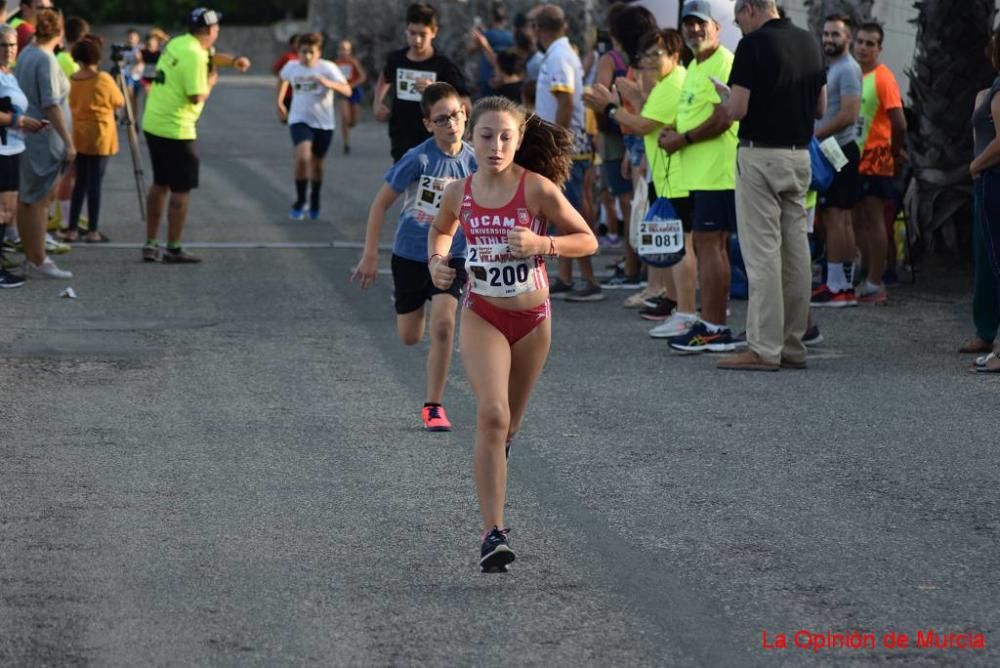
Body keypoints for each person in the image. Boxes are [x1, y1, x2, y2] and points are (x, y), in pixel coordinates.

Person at [428, 96, 598, 571]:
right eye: (486, 136)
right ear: (471, 137)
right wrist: (437, 263)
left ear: (520, 140)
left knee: (509, 427)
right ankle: (493, 533)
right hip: (483, 315)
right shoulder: (457, 191)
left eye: (506, 137)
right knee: (492, 413)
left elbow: (588, 239)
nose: (495, 146)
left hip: (533, 322)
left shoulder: (538, 189)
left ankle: (496, 457)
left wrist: (544, 243)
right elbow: (441, 232)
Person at [352, 83, 476, 430]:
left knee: (443, 325)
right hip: (410, 254)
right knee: (410, 335)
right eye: (441, 119)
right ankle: (412, 305)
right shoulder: (418, 159)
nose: (450, 124)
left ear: (465, 113)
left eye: (455, 115)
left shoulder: (476, 161)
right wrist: (370, 255)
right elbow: (380, 204)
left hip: (454, 255)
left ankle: (433, 406)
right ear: (427, 125)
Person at [714, 0, 827, 371]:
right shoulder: (810, 41)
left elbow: (739, 109)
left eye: (738, 20)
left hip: (760, 155)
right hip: (799, 156)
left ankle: (764, 348)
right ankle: (793, 345)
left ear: (750, 9)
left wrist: (725, 100)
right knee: (797, 255)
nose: (740, 27)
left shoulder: (753, 45)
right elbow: (821, 108)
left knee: (762, 254)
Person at [658, 0, 740, 353]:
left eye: (700, 24)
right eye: (688, 24)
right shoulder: (694, 65)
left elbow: (725, 117)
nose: (694, 30)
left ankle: (715, 326)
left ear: (717, 28)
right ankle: (709, 320)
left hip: (717, 174)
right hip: (695, 174)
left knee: (711, 246)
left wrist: (683, 138)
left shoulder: (725, 62)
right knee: (705, 247)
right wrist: (673, 130)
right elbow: (689, 112)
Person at [141, 8, 250, 264]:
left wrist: (234, 61)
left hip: (154, 121)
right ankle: (174, 248)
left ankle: (150, 243)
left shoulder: (180, 43)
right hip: (177, 128)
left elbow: (212, 56)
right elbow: (197, 95)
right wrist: (212, 80)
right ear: (211, 30)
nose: (218, 31)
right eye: (217, 28)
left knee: (160, 183)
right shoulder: (194, 56)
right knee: (181, 188)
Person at [533, 4, 603, 302]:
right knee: (562, 208)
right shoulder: (560, 53)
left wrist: (553, 142)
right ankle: (565, 276)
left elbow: (565, 102)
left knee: (571, 209)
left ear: (539, 30)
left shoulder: (560, 56)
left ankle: (588, 279)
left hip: (566, 145)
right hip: (569, 142)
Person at [15, 8, 73, 279]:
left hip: (29, 136)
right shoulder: (45, 59)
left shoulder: (27, 52)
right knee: (39, 201)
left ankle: (31, 256)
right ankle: (39, 258)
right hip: (45, 138)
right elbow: (52, 105)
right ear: (59, 33)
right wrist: (69, 141)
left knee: (27, 199)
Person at [810, 14, 863, 308]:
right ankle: (837, 283)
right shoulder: (834, 68)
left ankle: (839, 287)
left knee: (838, 217)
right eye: (826, 34)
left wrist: (813, 136)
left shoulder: (848, 69)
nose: (829, 39)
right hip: (830, 150)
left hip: (839, 150)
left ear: (848, 38)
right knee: (834, 217)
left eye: (835, 35)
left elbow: (848, 115)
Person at [373, 2, 471, 162]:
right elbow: (385, 77)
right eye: (412, 33)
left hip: (434, 142)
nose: (417, 40)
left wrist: (436, 91)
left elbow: (466, 105)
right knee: (403, 184)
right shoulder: (396, 59)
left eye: (423, 34)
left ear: (434, 32)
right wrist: (377, 102)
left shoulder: (444, 65)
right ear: (406, 30)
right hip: (401, 138)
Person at [852, 21, 906, 306]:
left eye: (869, 43)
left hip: (876, 161)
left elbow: (900, 123)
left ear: (879, 48)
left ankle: (876, 280)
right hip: (854, 160)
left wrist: (893, 152)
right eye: (859, 41)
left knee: (874, 221)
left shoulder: (883, 78)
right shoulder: (853, 73)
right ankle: (865, 275)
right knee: (857, 219)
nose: (863, 47)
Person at [276, 32, 351, 221]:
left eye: (311, 52)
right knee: (302, 157)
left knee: (317, 164)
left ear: (319, 53)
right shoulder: (292, 67)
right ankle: (300, 200)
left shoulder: (328, 68)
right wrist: (279, 103)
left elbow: (347, 90)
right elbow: (282, 79)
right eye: (303, 52)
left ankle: (314, 199)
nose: (307, 56)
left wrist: (328, 83)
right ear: (298, 51)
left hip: (324, 123)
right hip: (299, 120)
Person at [61, 36, 124, 243]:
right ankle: (92, 230)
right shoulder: (103, 79)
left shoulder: (72, 79)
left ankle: (71, 228)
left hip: (78, 133)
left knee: (80, 181)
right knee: (95, 182)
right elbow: (119, 101)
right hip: (100, 134)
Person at [0, 24, 46, 287]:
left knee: (7, 212)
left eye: (13, 45)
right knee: (3, 211)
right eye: (4, 45)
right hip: (2, 149)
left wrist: (30, 125)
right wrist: (19, 121)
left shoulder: (9, 74)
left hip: (13, 147)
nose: (9, 50)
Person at [969, 28, 1000, 373]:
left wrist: (975, 165)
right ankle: (986, 331)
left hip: (993, 178)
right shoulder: (989, 89)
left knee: (997, 261)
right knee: (987, 259)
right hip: (987, 181)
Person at [468, 0, 513, 98]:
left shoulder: (485, 35)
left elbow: (470, 49)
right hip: (506, 80)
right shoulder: (511, 37)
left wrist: (473, 33)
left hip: (487, 79)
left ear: (492, 17)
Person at [334, 39, 367, 154]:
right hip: (342, 92)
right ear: (338, 50)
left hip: (354, 91)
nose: (344, 52)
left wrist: (352, 85)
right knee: (345, 118)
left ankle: (350, 124)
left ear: (350, 51)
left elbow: (362, 76)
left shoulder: (353, 62)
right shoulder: (335, 64)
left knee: (353, 121)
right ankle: (346, 143)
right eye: (342, 49)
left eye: (347, 50)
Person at [271, 34, 298, 118]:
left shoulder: (309, 58)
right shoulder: (288, 57)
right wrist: (286, 80)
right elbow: (275, 69)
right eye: (297, 42)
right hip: (289, 93)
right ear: (292, 44)